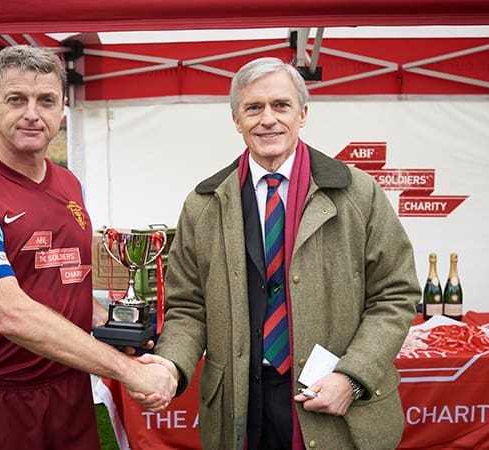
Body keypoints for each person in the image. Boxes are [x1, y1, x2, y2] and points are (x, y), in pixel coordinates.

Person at [132, 56, 421, 449]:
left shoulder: (358, 193)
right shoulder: (203, 204)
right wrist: (171, 364)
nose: (268, 119)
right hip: (239, 398)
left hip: (333, 399)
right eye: (254, 108)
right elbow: (188, 306)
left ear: (302, 114)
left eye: (280, 105)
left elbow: (395, 294)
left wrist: (352, 378)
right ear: (237, 120)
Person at [0, 45, 176, 450]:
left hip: (67, 387)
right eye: (16, 99)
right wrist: (128, 372)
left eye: (46, 101)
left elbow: (67, 292)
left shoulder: (70, 184)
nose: (32, 114)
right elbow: (12, 314)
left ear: (62, 110)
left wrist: (124, 327)